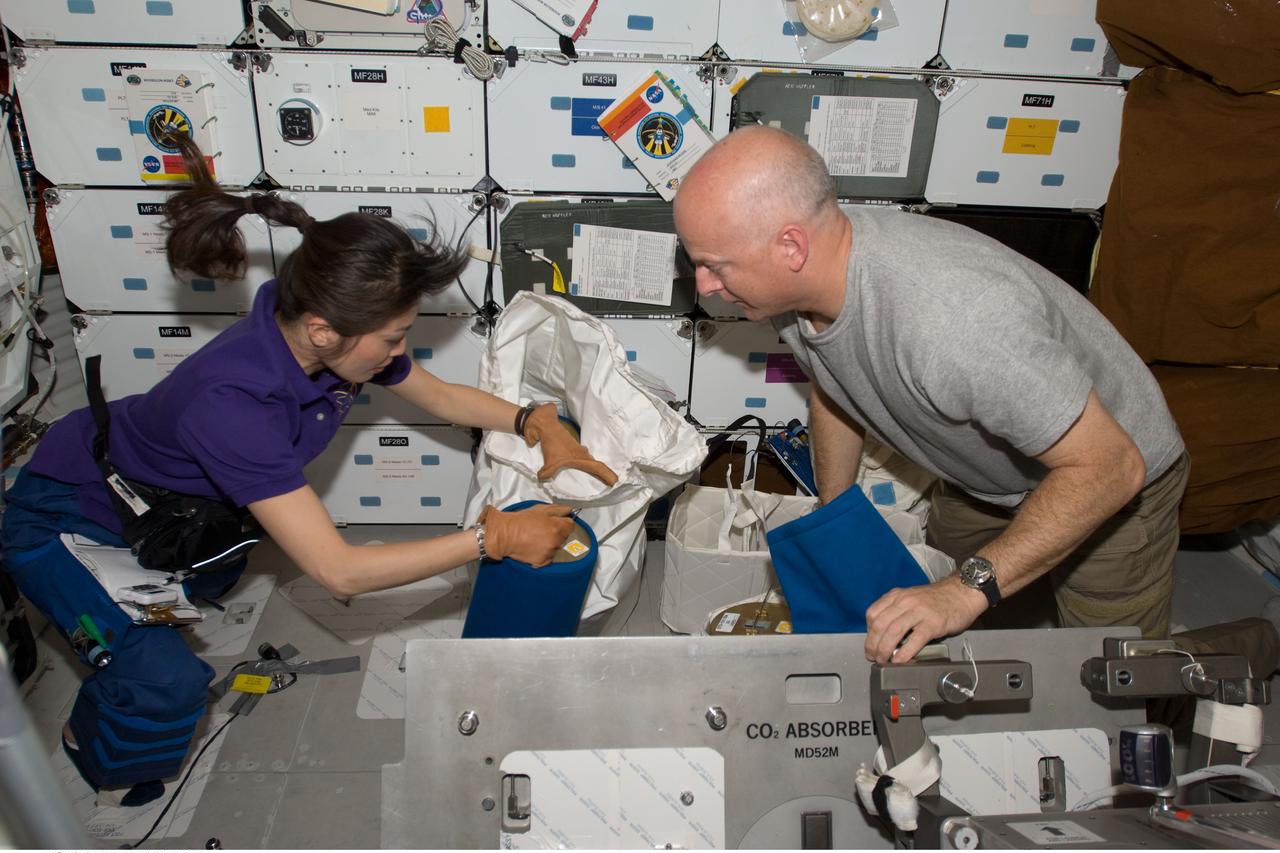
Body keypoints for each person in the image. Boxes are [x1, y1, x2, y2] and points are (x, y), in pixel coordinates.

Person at [0, 137, 616, 805]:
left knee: (216, 568)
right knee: (164, 681)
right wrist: (489, 540)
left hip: (159, 505)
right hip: (68, 517)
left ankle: (143, 616)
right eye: (392, 339)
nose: (399, 352)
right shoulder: (233, 406)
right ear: (324, 330)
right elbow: (339, 572)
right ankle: (86, 744)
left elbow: (438, 396)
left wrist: (534, 420)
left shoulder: (315, 331)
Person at [673, 125, 1279, 673]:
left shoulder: (953, 321)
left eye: (715, 266)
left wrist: (964, 591)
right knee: (942, 611)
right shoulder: (795, 288)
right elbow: (834, 384)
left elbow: (1111, 467)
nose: (704, 286)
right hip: (987, 472)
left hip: (1110, 474)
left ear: (790, 247)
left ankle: (1245, 650)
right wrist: (837, 514)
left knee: (1114, 677)